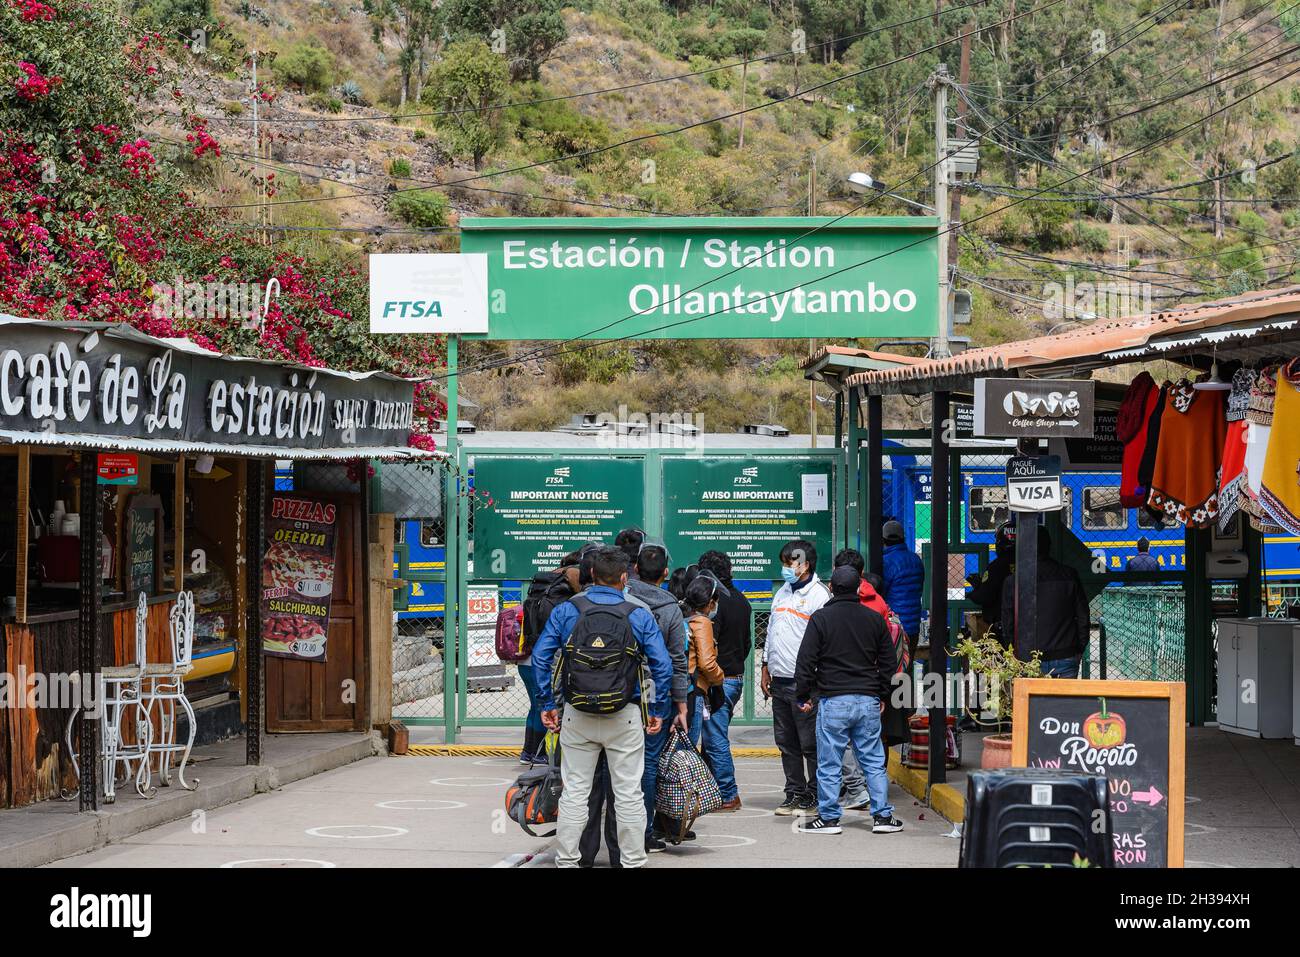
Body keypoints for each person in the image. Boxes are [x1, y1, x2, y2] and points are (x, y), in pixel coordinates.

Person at [532, 546, 673, 869]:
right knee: (628, 793)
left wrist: (546, 702)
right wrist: (658, 709)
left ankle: (568, 860)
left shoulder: (569, 610)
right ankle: (633, 860)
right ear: (625, 577)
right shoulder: (638, 613)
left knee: (575, 792)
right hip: (624, 714)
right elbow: (663, 666)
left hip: (577, 712)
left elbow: (541, 657)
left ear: (592, 574)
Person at [794, 565, 904, 835]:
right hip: (867, 699)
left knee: (830, 762)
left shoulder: (820, 619)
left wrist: (803, 694)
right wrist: (881, 693)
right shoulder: (874, 619)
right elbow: (890, 662)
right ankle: (882, 817)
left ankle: (829, 819)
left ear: (831, 587)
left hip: (833, 701)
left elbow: (806, 661)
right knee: (873, 762)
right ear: (858, 589)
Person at [626, 543, 691, 853]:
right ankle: (645, 832)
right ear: (665, 573)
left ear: (635, 568)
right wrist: (681, 704)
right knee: (649, 763)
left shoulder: (623, 597)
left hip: (621, 689)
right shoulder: (670, 608)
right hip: (656, 691)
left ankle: (615, 828)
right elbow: (678, 659)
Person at [762, 540, 829, 815]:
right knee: (786, 742)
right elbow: (771, 632)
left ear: (805, 565)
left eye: (790, 563)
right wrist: (765, 665)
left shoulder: (819, 596)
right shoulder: (782, 593)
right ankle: (794, 792)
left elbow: (823, 641)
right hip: (779, 679)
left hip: (805, 682)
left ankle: (814, 794)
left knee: (810, 743)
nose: (785, 568)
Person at [517, 548, 584, 764]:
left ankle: (529, 752)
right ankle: (539, 755)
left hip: (528, 656)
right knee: (546, 706)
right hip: (548, 658)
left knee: (536, 706)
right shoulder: (572, 578)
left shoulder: (544, 583)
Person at [696, 549, 750, 812]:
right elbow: (748, 644)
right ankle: (711, 790)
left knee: (714, 737)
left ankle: (729, 793)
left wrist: (711, 675)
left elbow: (709, 649)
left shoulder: (714, 604)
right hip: (735, 677)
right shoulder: (742, 600)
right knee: (712, 736)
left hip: (718, 679)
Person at [999, 526, 1090, 679]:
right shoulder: (1069, 575)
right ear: (1049, 546)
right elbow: (1083, 617)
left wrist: (1013, 650)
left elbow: (1008, 623)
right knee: (1063, 701)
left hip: (1027, 657)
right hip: (1066, 654)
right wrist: (1079, 648)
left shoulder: (1013, 581)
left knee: (1032, 703)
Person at [679, 571, 726, 749]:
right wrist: (719, 677)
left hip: (679, 688)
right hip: (695, 691)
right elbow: (707, 663)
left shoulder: (681, 614)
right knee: (687, 751)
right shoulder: (702, 622)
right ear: (709, 602)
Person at [966, 521, 1016, 643]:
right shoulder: (1030, 564)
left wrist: (973, 593)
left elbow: (984, 596)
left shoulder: (996, 567)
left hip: (1002, 626)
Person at [881, 520, 924, 640]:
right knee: (909, 657)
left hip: (894, 624)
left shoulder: (886, 561)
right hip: (913, 624)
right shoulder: (915, 559)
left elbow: (881, 592)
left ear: (883, 539)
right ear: (903, 537)